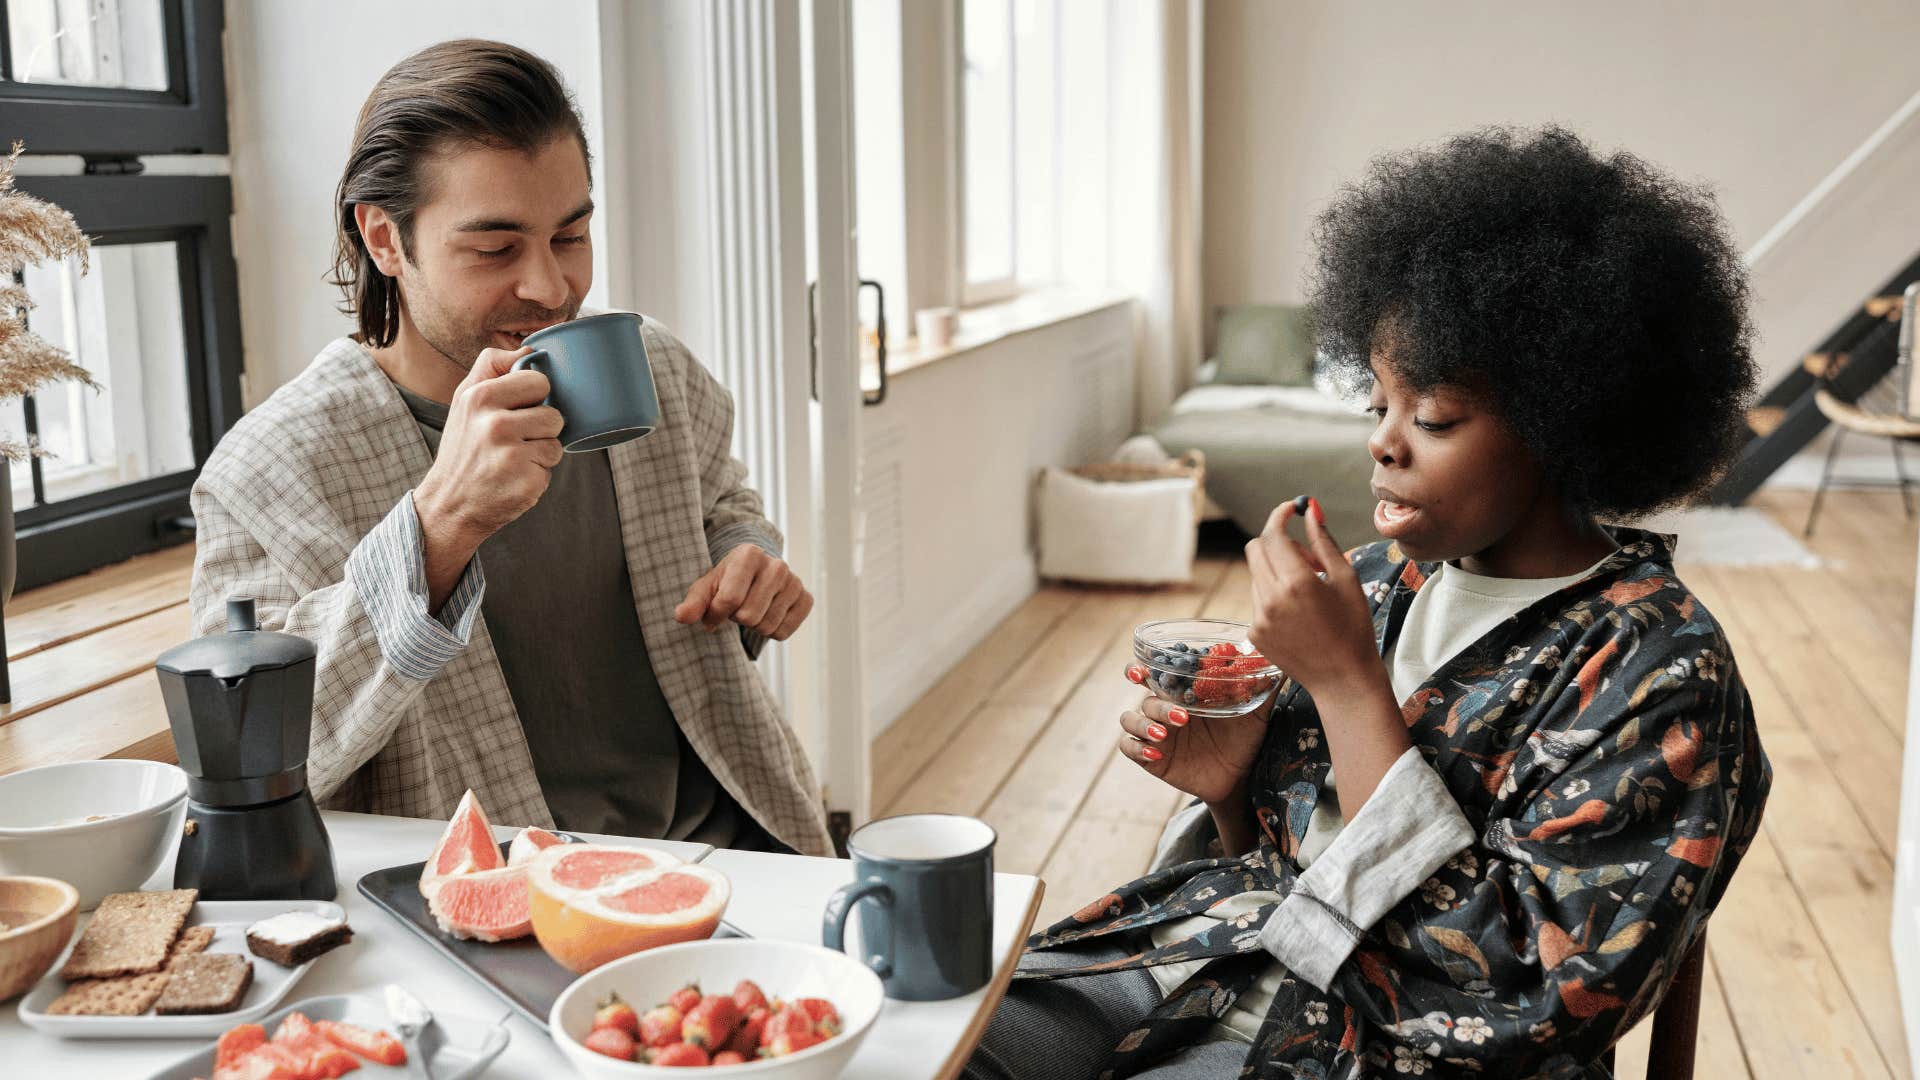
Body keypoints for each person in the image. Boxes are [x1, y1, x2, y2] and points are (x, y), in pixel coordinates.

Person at [966, 125, 1771, 1078]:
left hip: (1383, 1054)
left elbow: (1532, 996)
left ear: (1566, 421)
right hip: (1214, 967)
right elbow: (1289, 862)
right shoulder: (1380, 585)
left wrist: (1348, 684)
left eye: (1432, 417)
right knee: (937, 1045)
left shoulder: (1661, 671)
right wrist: (1232, 791)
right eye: (1377, 406)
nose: (1386, 444)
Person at [188, 39, 832, 856]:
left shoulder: (652, 367)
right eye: (495, 249)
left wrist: (749, 559)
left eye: (570, 236)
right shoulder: (270, 469)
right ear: (385, 239)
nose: (551, 288)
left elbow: (720, 503)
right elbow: (247, 759)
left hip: (739, 847)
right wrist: (440, 525)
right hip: (491, 902)